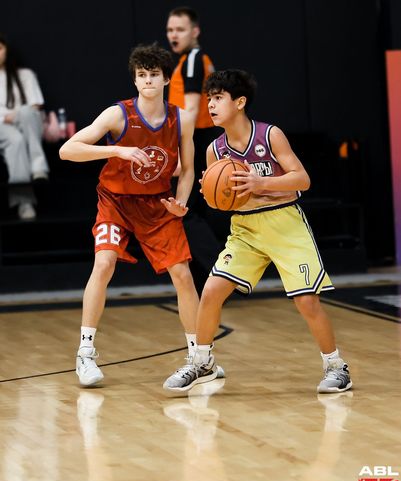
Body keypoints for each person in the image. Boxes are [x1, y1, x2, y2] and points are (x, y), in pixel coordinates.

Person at [163, 69, 353, 394]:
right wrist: (212, 194)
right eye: (209, 99)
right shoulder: (215, 150)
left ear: (239, 102)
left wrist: (260, 183)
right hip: (245, 230)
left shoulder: (270, 135)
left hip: (285, 225)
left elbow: (302, 179)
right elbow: (221, 202)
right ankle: (202, 362)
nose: (211, 105)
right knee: (211, 291)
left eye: (218, 98)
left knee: (307, 301)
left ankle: (337, 367)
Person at [59, 43, 200, 387]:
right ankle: (85, 353)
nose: (147, 80)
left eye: (154, 74)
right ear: (135, 80)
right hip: (116, 202)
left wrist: (181, 202)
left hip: (157, 204)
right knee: (104, 262)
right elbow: (67, 150)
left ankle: (200, 356)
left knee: (182, 274)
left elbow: (188, 170)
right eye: (141, 75)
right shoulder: (117, 115)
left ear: (166, 79)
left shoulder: (181, 118)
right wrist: (117, 150)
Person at [166, 6, 229, 295]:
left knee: (184, 211)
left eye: (180, 29)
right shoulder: (194, 59)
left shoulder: (193, 60)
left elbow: (190, 110)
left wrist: (182, 151)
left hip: (197, 139)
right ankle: (209, 284)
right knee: (199, 213)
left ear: (195, 31)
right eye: (170, 30)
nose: (174, 35)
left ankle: (223, 275)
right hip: (204, 139)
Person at [0, 33, 49, 220]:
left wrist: (16, 115)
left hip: (27, 122)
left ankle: (38, 168)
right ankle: (24, 202)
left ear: (6, 50)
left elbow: (35, 105)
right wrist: (8, 117)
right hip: (2, 127)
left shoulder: (25, 75)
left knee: (27, 113)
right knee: (15, 140)